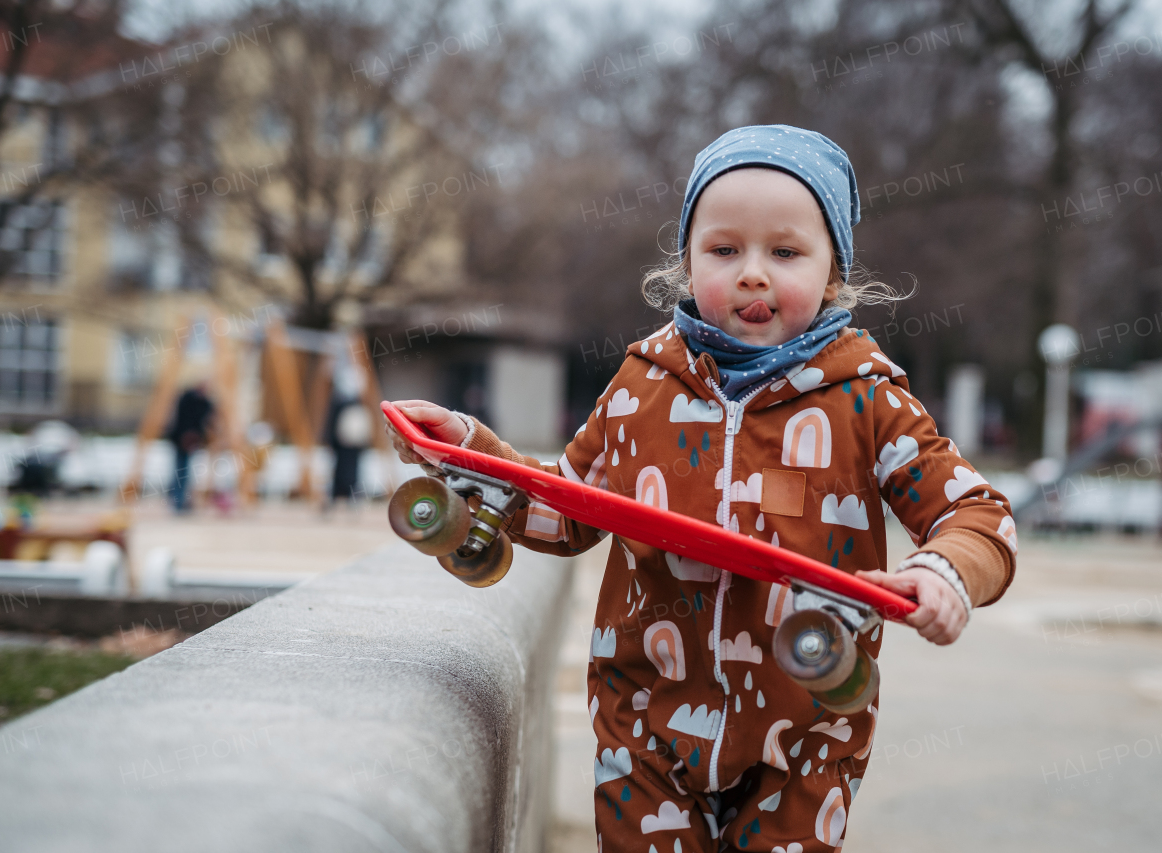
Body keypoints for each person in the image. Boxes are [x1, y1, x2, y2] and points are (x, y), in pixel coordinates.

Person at [385, 126, 1017, 852]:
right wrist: (473, 452)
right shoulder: (640, 386)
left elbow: (979, 515)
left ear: (833, 273)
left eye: (784, 252)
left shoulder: (869, 401)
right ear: (687, 263)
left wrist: (946, 570)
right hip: (644, 725)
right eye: (724, 250)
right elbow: (565, 510)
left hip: (807, 733)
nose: (752, 273)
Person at [167, 383, 213, 514]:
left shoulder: (199, 402)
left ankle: (180, 500)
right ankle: (178, 501)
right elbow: (187, 420)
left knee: (183, 472)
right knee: (181, 472)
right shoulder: (190, 401)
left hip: (187, 440)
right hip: (182, 439)